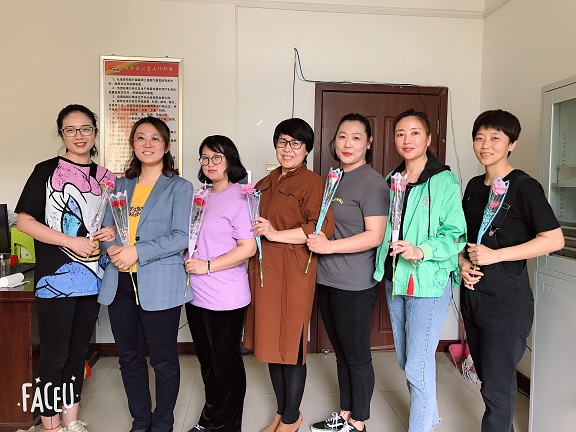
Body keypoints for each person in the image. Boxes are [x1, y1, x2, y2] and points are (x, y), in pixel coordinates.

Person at [459, 109, 564, 432]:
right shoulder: (475, 186)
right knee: (488, 379)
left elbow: (554, 239)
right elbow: (462, 237)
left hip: (507, 303)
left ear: (511, 144)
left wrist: (497, 255)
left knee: (497, 387)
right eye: (479, 137)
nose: (485, 145)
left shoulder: (523, 187)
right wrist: (463, 264)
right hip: (473, 296)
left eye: (495, 138)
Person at [15, 104, 116, 432]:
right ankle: (51, 426)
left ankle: (71, 422)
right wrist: (71, 242)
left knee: (76, 354)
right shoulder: (46, 170)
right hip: (55, 281)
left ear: (95, 132)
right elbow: (25, 221)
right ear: (61, 134)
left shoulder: (107, 178)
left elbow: (117, 224)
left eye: (85, 128)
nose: (79, 135)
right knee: (53, 356)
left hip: (93, 279)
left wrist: (111, 231)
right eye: (70, 129)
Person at [373, 109, 467, 432]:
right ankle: (429, 417)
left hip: (428, 281)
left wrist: (421, 250)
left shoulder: (443, 180)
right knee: (408, 359)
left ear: (428, 139)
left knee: (416, 365)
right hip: (396, 279)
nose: (407, 139)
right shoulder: (392, 180)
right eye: (400, 133)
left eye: (415, 132)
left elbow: (455, 233)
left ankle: (421, 426)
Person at [99, 116, 193, 432]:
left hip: (159, 283)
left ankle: (163, 423)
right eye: (141, 137)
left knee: (163, 360)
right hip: (120, 282)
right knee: (129, 358)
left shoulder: (179, 187)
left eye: (155, 138)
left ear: (166, 146)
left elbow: (181, 236)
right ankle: (141, 421)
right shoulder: (119, 185)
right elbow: (107, 228)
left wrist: (136, 251)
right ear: (133, 144)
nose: (148, 144)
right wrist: (113, 247)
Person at [243, 118, 335, 432]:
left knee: (291, 345)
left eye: (296, 143)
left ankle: (292, 417)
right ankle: (282, 413)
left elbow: (321, 228)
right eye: (282, 142)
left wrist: (274, 234)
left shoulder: (313, 182)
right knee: (271, 343)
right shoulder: (265, 182)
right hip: (264, 273)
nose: (288, 149)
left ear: (306, 149)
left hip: (294, 272)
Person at [307, 113, 389, 432]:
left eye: (356, 137)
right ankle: (345, 413)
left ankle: (359, 421)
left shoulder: (373, 183)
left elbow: (375, 236)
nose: (347, 143)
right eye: (342, 136)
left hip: (354, 283)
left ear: (369, 143)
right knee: (341, 352)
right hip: (327, 279)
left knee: (356, 355)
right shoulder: (333, 178)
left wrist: (328, 247)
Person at [184, 135, 257, 432]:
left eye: (217, 157)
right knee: (207, 363)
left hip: (226, 297)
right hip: (195, 295)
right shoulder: (200, 195)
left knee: (226, 366)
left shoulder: (242, 197)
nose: (210, 163)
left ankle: (227, 426)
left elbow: (248, 248)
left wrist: (207, 266)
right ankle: (210, 418)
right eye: (205, 158)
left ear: (230, 160)